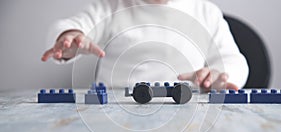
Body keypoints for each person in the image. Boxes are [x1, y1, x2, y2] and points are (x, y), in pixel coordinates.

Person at [41, 0, 249, 91]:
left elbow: (233, 60)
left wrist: (220, 76)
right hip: (113, 110)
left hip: (186, 108)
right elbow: (72, 25)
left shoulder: (207, 12)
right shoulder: (111, 6)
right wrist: (69, 37)